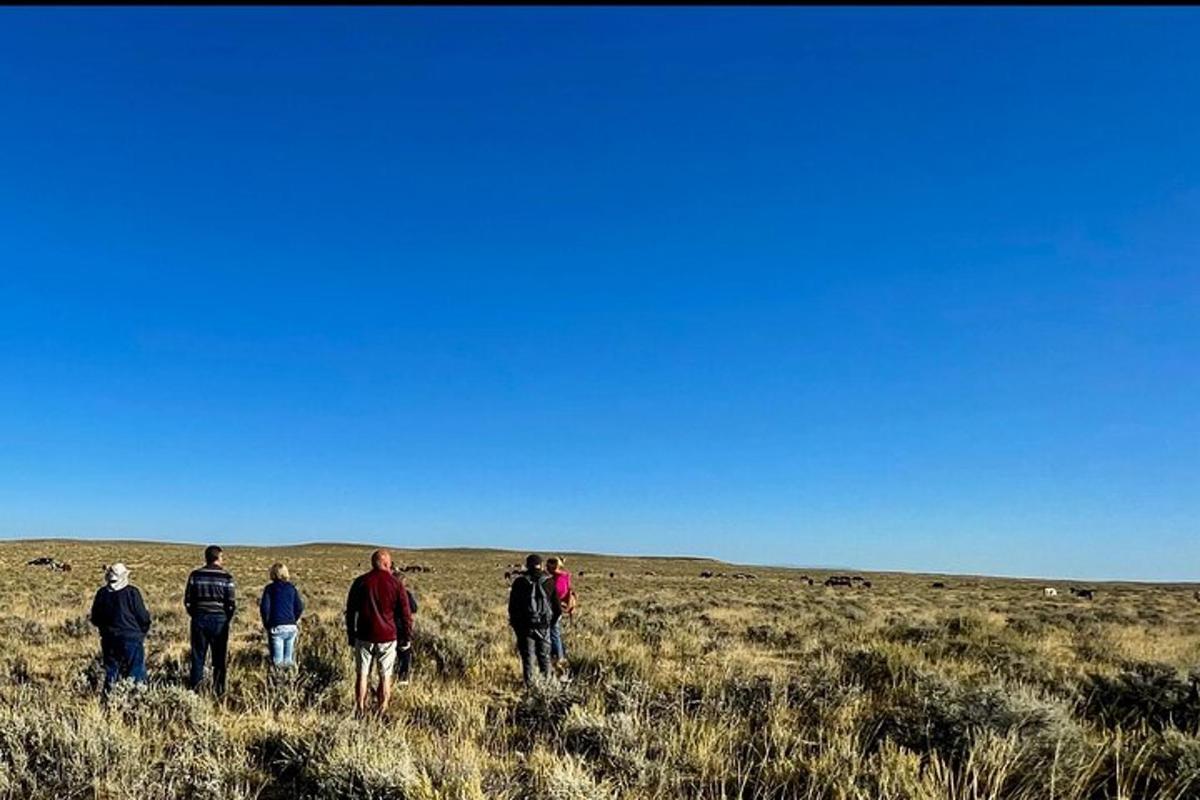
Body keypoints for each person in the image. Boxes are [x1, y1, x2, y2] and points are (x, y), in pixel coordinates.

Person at [345, 549, 412, 717]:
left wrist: (351, 634)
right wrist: (406, 637)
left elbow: (351, 610)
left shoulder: (360, 582)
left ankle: (360, 708)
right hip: (388, 636)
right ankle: (382, 710)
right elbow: (406, 614)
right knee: (385, 675)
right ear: (386, 563)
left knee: (362, 674)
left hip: (364, 635)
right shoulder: (396, 584)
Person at [89, 562, 151, 694]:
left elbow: (95, 617)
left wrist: (105, 630)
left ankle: (110, 700)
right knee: (135, 671)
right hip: (131, 637)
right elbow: (142, 616)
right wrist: (142, 631)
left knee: (111, 671)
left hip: (109, 639)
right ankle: (135, 699)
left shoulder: (102, 593)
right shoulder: (132, 593)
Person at [184, 545, 236, 697]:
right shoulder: (227, 577)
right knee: (219, 658)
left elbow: (188, 600)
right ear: (218, 557)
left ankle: (196, 691)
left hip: (199, 619)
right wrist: (226, 618)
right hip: (220, 620)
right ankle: (219, 691)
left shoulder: (195, 575)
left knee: (198, 656)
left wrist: (195, 614)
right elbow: (231, 603)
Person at [507, 553, 561, 687]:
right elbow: (558, 609)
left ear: (527, 565)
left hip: (525, 627)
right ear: (541, 565)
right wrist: (551, 624)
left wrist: (516, 625)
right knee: (544, 658)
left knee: (528, 659)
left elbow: (512, 607)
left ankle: (530, 689)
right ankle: (547, 688)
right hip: (543, 626)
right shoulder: (549, 581)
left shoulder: (519, 582)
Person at [259, 563, 304, 668]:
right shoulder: (291, 588)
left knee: (277, 662)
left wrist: (267, 623)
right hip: (291, 627)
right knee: (289, 661)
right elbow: (299, 607)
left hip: (277, 627)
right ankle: (290, 681)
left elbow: (265, 608)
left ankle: (278, 682)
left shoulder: (270, 589)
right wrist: (293, 619)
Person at [545, 556, 575, 680]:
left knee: (553, 632)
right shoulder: (566, 576)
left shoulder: (554, 580)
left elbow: (554, 594)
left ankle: (559, 658)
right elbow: (569, 591)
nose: (546, 568)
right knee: (556, 632)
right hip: (562, 607)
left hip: (555, 608)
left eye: (548, 566)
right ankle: (561, 655)